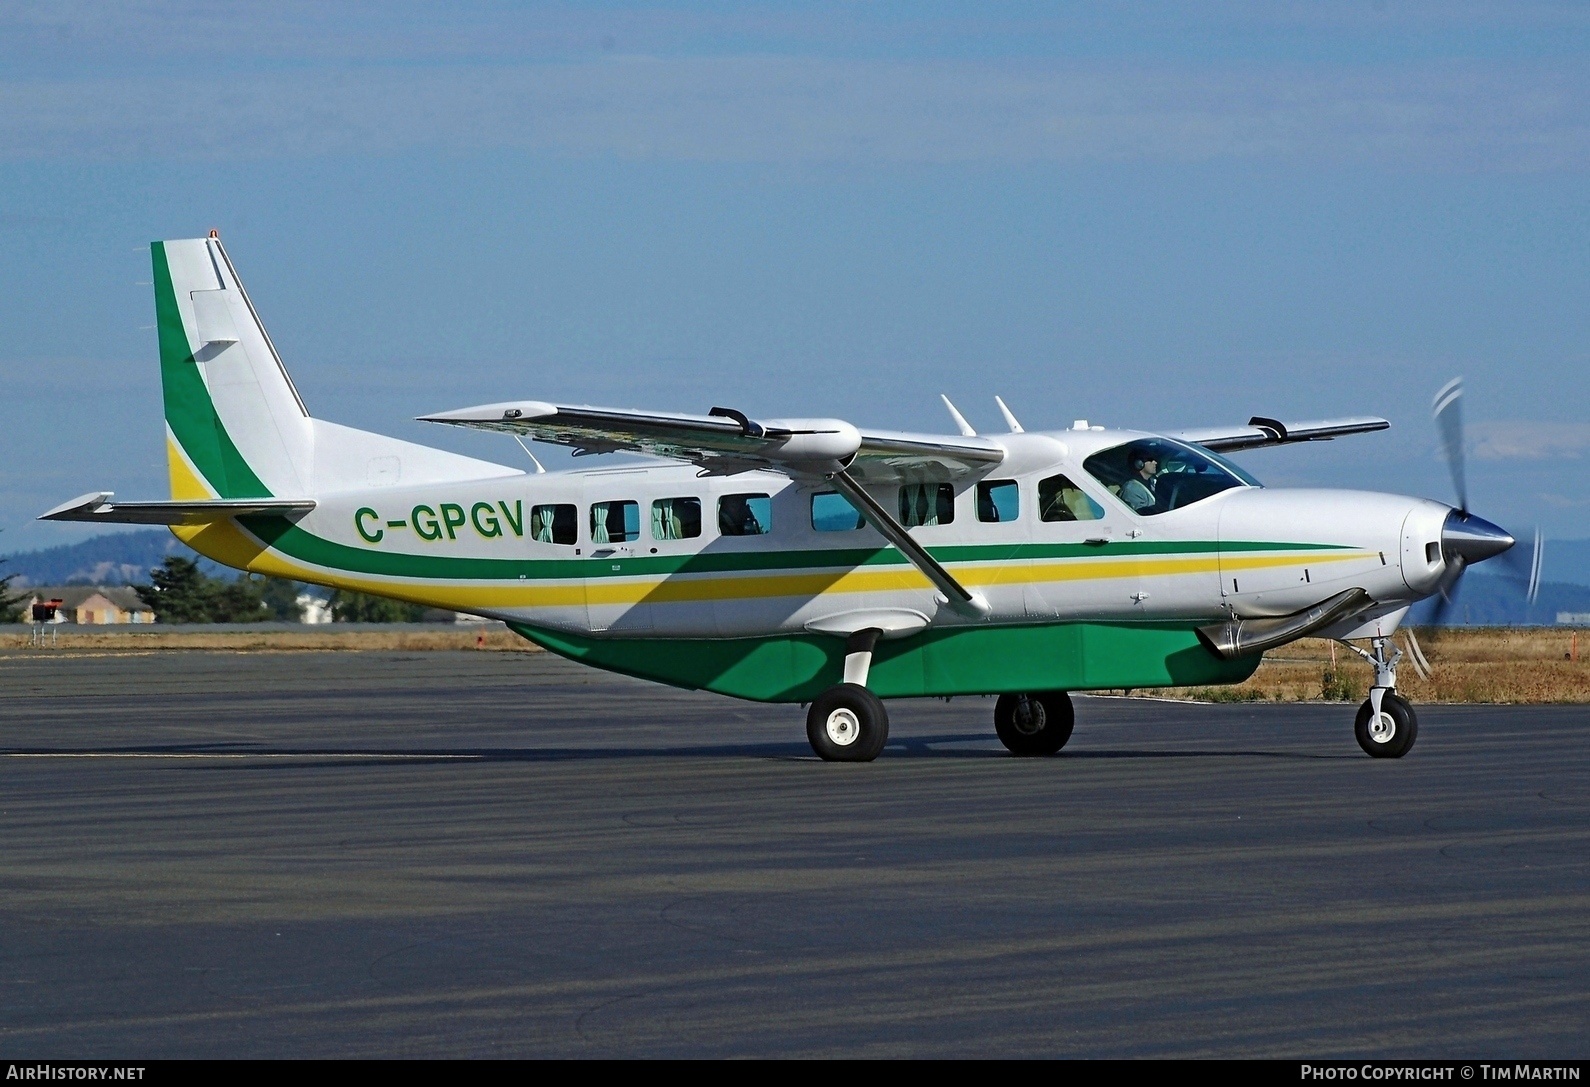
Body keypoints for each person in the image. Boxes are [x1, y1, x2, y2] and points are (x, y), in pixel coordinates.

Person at [1120, 446, 1160, 512]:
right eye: (1150, 460)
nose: (1155, 462)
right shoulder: (1132, 489)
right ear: (1139, 463)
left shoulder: (1153, 482)